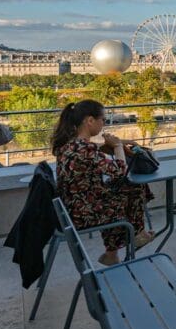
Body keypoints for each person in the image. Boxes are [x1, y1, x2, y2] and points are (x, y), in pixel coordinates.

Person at [53, 100, 154, 266]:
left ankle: (115, 251)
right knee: (130, 189)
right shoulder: (84, 148)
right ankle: (134, 236)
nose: (104, 124)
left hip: (74, 205)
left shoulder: (70, 144)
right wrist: (117, 148)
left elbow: (88, 156)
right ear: (90, 120)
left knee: (127, 189)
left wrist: (109, 146)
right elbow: (120, 170)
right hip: (84, 212)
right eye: (103, 120)